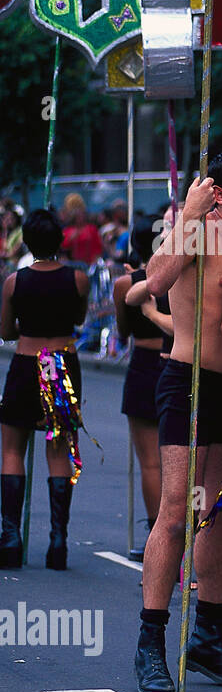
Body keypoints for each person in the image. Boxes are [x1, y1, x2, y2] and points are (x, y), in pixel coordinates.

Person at [133, 152, 222, 692]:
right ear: (218, 192)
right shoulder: (200, 230)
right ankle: (150, 645)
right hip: (183, 381)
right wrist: (189, 215)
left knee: (220, 512)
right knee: (176, 514)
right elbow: (156, 279)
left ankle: (209, 636)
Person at [0, 209, 89, 570]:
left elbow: (5, 331)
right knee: (58, 449)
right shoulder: (78, 279)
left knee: (11, 449)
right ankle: (58, 540)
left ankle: (9, 537)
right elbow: (79, 319)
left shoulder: (14, 281)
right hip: (63, 364)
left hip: (25, 363)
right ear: (60, 240)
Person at [113, 219, 169, 557]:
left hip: (143, 365)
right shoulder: (179, 276)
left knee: (151, 463)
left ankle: (156, 534)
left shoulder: (126, 283)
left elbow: (122, 332)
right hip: (175, 362)